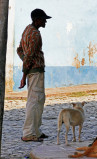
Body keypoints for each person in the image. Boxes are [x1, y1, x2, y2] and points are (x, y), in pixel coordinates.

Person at [17, 8, 52, 142]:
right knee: (35, 102)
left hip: (33, 70)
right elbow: (30, 55)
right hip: (35, 72)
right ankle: (29, 133)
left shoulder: (27, 30)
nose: (45, 22)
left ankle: (36, 131)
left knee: (38, 100)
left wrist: (26, 62)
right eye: (44, 19)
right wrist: (24, 75)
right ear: (37, 20)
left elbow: (20, 50)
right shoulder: (35, 34)